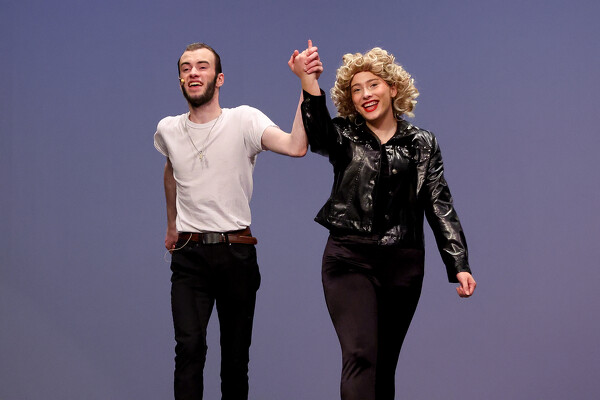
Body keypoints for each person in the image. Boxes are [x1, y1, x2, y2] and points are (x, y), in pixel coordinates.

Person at [289, 43, 476, 400]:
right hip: (348, 258)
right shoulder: (343, 134)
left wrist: (459, 263)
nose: (365, 95)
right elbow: (318, 135)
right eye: (356, 90)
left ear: (392, 88)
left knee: (383, 366)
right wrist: (309, 81)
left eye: (373, 85)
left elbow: (438, 203)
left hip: (402, 263)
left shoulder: (422, 143)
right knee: (360, 355)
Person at [154, 42, 320, 400]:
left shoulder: (244, 120)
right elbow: (171, 171)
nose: (193, 72)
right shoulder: (168, 129)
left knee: (234, 360)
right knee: (188, 350)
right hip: (189, 256)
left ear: (219, 78)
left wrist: (305, 82)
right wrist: (171, 225)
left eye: (202, 66)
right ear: (180, 79)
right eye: (185, 68)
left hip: (236, 253)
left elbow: (296, 146)